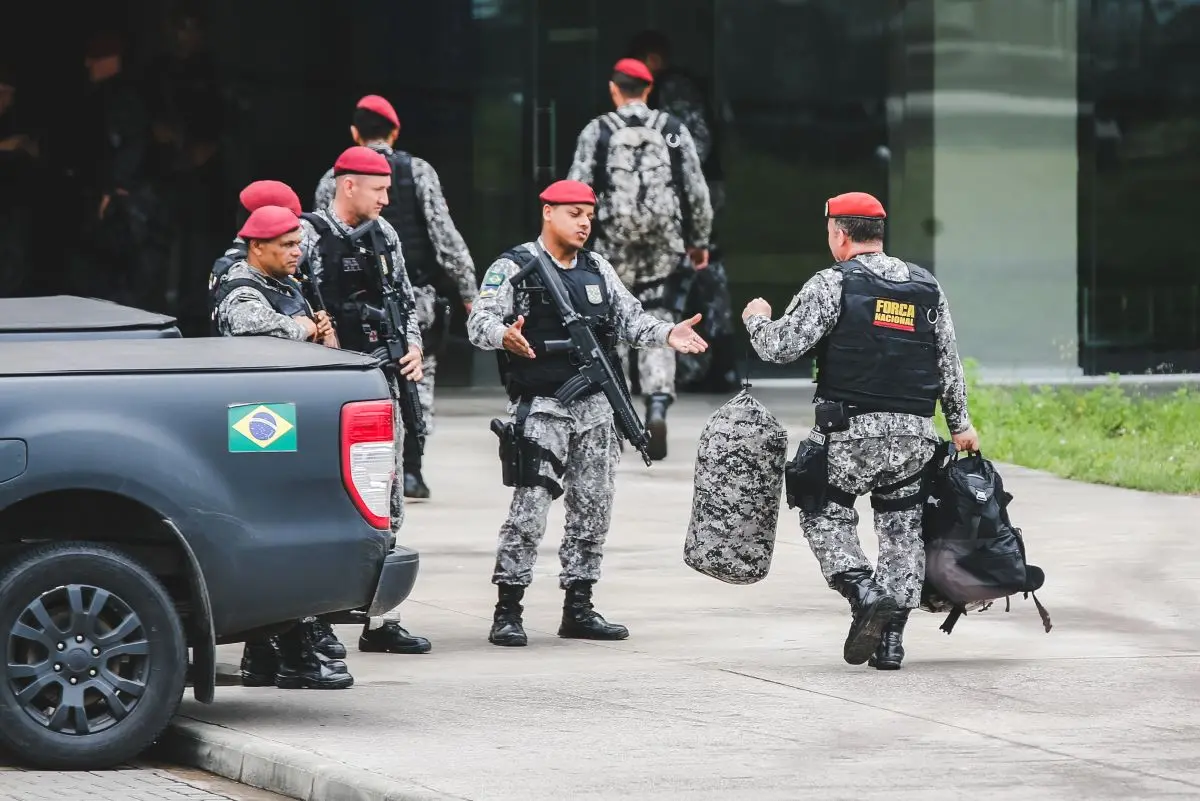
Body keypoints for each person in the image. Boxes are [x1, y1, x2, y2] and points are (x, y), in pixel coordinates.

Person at [740, 191, 980, 670]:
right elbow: (947, 361)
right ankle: (891, 642)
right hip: (915, 438)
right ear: (879, 233)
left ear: (838, 232)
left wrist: (755, 319)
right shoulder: (925, 286)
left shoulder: (831, 284)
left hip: (849, 435)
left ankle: (862, 590)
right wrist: (960, 425)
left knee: (820, 509)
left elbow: (782, 348)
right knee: (902, 533)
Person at [466, 179, 708, 647]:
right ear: (548, 212)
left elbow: (631, 320)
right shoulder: (514, 266)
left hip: (595, 409)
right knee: (530, 508)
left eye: (589, 216)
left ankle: (578, 605)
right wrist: (503, 335)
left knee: (593, 508)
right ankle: (508, 608)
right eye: (574, 213)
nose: (584, 223)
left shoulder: (598, 267)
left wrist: (667, 334)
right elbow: (479, 320)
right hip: (541, 406)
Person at [300, 145, 432, 655]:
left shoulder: (385, 235)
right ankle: (312, 619)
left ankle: (383, 618)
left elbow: (403, 298)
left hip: (380, 383)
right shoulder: (308, 234)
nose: (387, 198)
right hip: (329, 388)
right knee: (327, 501)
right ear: (348, 185)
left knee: (388, 502)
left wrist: (415, 347)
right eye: (379, 189)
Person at [213, 204, 350, 690]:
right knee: (282, 533)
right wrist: (308, 328)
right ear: (257, 247)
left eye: (298, 244)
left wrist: (322, 332)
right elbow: (258, 331)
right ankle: (297, 655)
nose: (298, 252)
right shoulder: (239, 287)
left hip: (288, 419)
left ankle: (268, 657)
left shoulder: (285, 285)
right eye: (288, 246)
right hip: (259, 425)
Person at [314, 95, 478, 500]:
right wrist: (470, 293)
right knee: (417, 379)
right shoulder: (419, 171)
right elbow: (445, 237)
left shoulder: (332, 179)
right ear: (395, 131)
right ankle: (412, 471)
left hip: (349, 307)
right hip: (415, 298)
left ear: (355, 133)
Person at [566, 58, 712, 461]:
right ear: (648, 90)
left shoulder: (597, 131)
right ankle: (658, 405)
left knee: (611, 318)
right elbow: (697, 192)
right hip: (663, 243)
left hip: (613, 241)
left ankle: (619, 411)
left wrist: (575, 241)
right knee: (659, 313)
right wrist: (698, 240)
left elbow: (575, 190)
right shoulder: (672, 130)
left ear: (615, 89)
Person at [625, 30, 738, 392]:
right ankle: (699, 366)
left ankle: (718, 366)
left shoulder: (675, 90)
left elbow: (696, 144)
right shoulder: (672, 91)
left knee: (701, 278)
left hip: (691, 200)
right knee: (687, 282)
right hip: (685, 199)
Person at [208, 180, 304, 334]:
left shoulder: (275, 268)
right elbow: (247, 320)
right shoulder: (240, 270)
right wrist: (302, 328)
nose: (297, 252)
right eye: (287, 244)